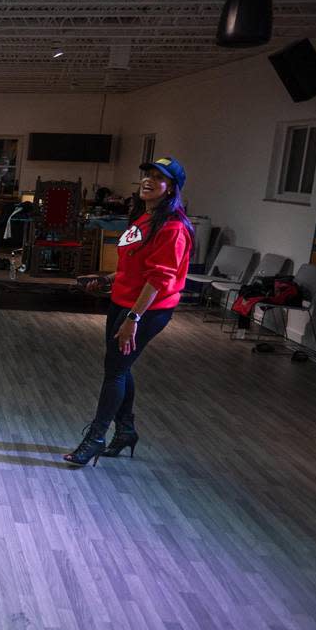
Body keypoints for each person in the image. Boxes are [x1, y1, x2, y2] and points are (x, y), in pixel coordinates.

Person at [67, 157, 194, 466]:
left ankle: (95, 438)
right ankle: (125, 431)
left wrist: (133, 318)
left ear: (171, 188)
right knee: (120, 367)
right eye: (146, 175)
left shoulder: (173, 227)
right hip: (123, 302)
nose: (148, 181)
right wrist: (108, 280)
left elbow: (158, 279)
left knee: (115, 370)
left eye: (158, 178)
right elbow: (134, 266)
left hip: (145, 311)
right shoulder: (145, 218)